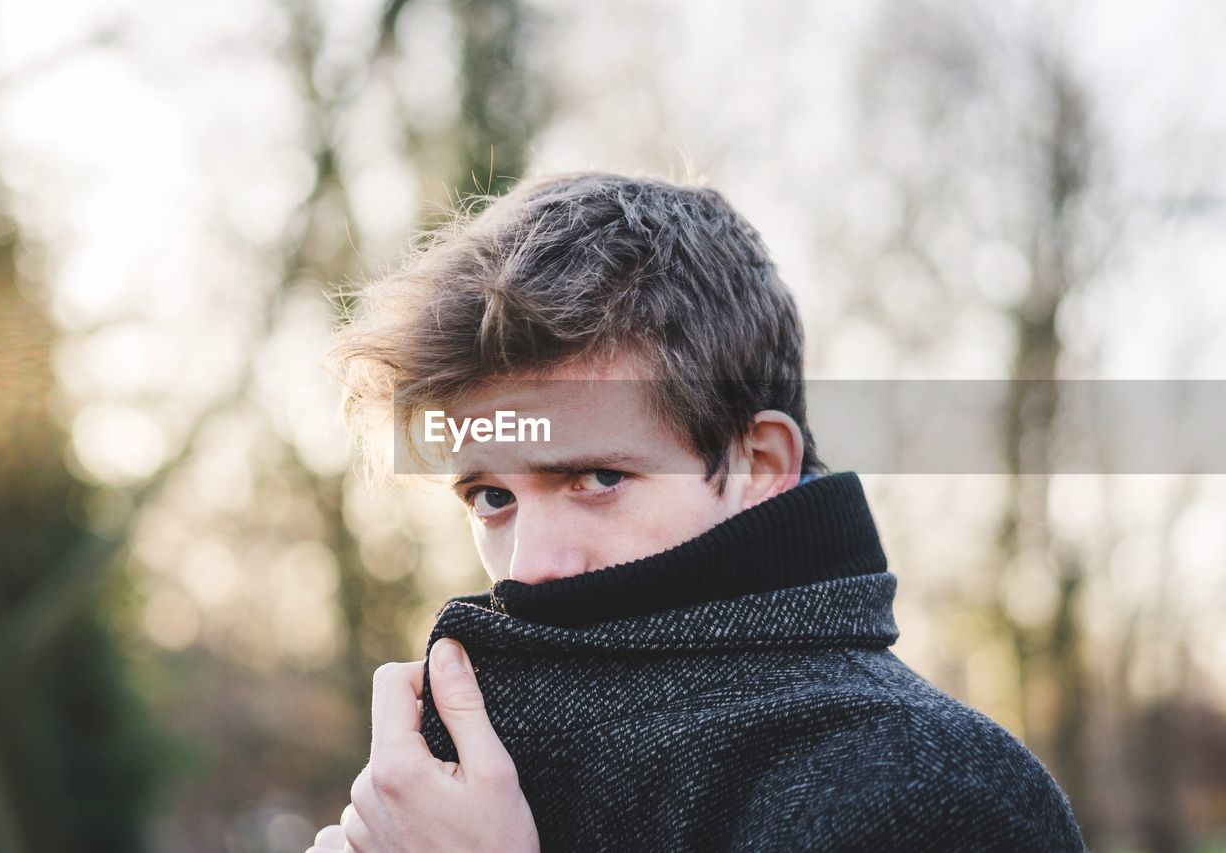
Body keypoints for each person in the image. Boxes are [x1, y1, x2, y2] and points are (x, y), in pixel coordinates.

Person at [310, 172, 1087, 851]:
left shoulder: (940, 792)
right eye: (492, 497)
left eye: (596, 477)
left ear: (761, 465)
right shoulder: (456, 777)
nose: (531, 564)